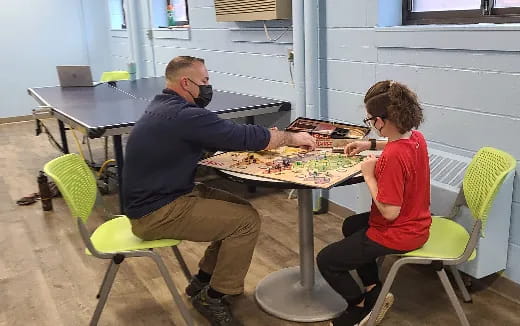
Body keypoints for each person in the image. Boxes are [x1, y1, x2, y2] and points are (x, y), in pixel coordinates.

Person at [122, 56, 316, 325]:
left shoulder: (162, 105)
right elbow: (239, 136)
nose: (208, 87)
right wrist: (290, 138)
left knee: (241, 210)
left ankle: (202, 281)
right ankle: (213, 296)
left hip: (163, 195)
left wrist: (259, 138)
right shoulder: (185, 115)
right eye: (205, 81)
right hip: (155, 212)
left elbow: (214, 138)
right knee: (246, 223)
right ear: (186, 83)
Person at [316, 80, 431, 326]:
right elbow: (395, 142)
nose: (371, 125)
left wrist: (368, 174)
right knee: (351, 225)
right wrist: (367, 144)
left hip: (398, 231)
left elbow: (389, 213)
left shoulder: (392, 157)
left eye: (370, 121)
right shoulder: (417, 138)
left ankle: (357, 306)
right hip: (418, 222)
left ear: (381, 120)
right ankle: (373, 288)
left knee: (326, 260)